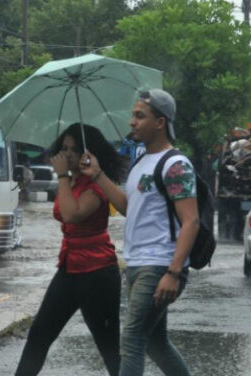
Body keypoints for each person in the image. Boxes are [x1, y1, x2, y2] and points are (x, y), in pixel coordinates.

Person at [80, 89, 198, 376]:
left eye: (139, 116)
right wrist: (97, 174)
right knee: (155, 343)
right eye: (133, 115)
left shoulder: (175, 165)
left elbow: (191, 221)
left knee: (131, 339)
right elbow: (128, 208)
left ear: (160, 122)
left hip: (159, 265)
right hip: (136, 263)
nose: (131, 122)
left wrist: (173, 272)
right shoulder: (141, 161)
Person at [16, 123, 127, 376]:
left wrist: (63, 176)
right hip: (69, 268)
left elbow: (71, 214)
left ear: (88, 154)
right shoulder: (74, 181)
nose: (66, 154)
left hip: (98, 273)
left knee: (109, 349)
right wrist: (67, 178)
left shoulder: (95, 185)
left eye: (73, 150)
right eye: (63, 148)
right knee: (39, 335)